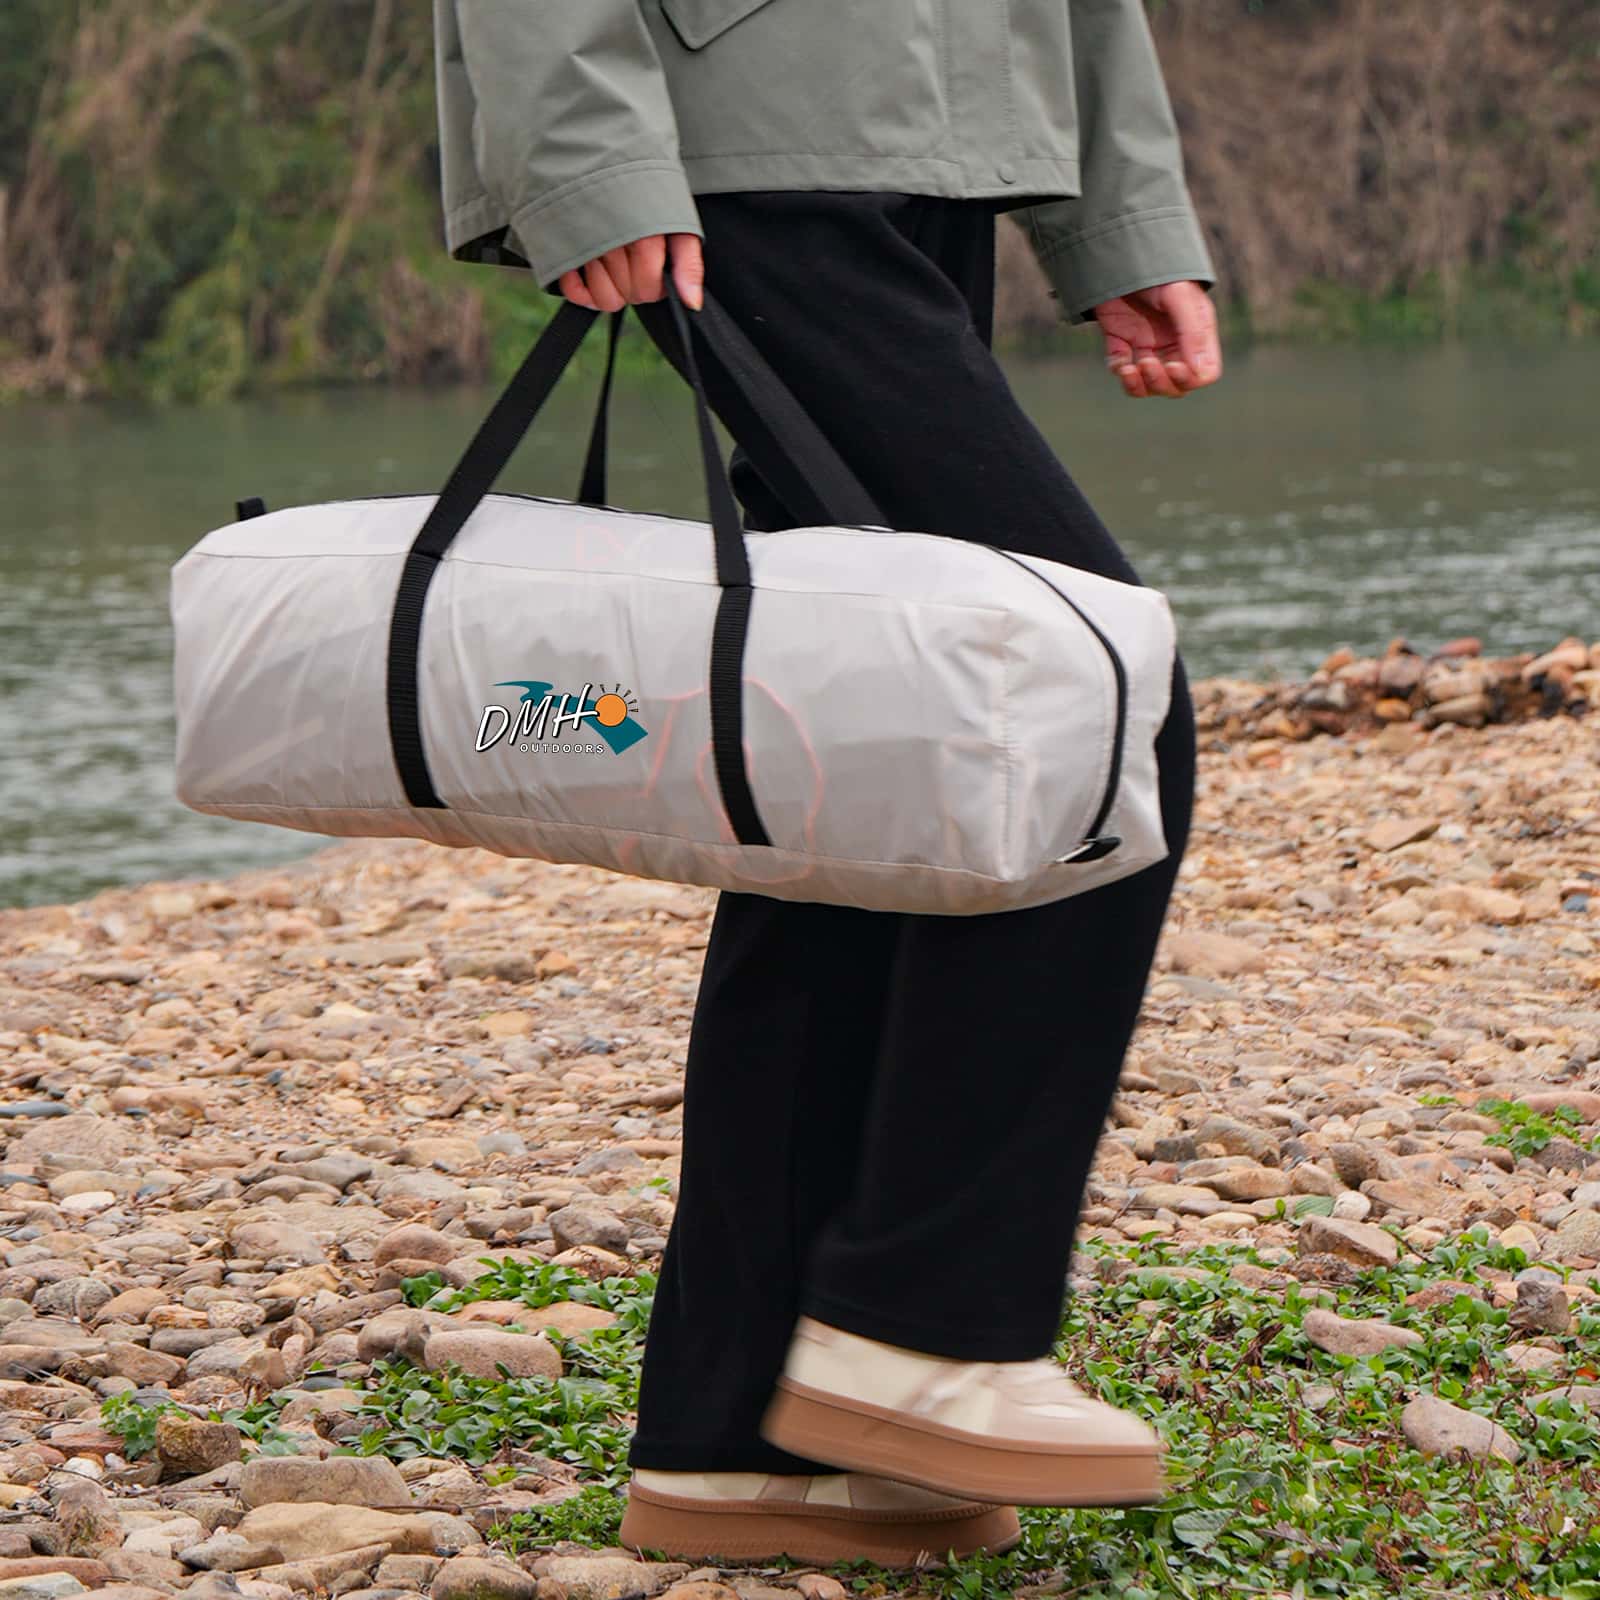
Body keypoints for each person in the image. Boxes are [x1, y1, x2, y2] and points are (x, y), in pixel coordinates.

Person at [432, 0, 1221, 1568]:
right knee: (1081, 708)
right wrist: (586, 151)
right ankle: (921, 1327)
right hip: (737, 144)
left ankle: (739, 1433)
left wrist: (1118, 210)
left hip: (943, 137)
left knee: (864, 767)